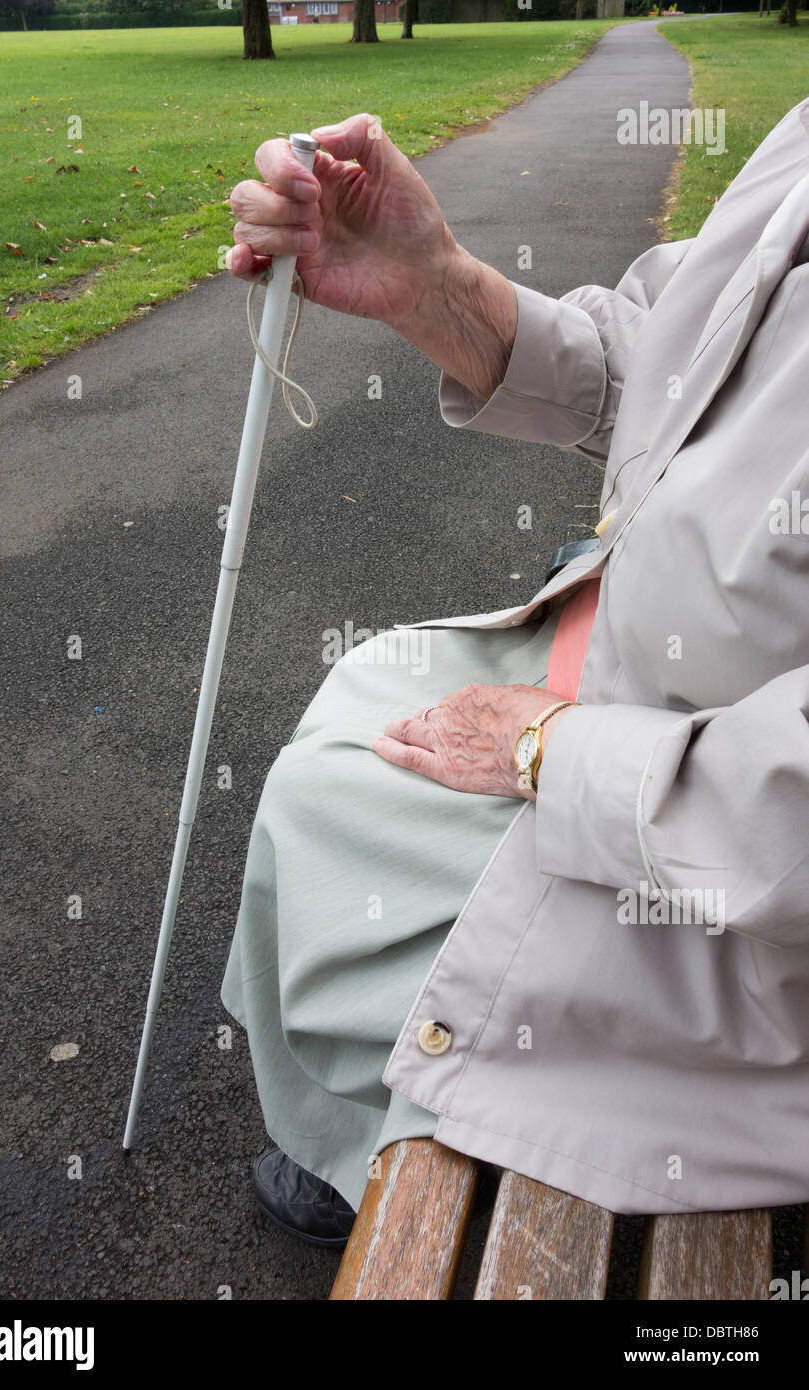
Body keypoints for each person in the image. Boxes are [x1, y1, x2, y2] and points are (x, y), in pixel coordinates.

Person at [222, 105, 809, 1247]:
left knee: (326, 802)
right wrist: (429, 282)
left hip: (737, 891)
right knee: (370, 687)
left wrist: (553, 749)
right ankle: (350, 1111)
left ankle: (380, 1128)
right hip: (645, 684)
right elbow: (670, 366)